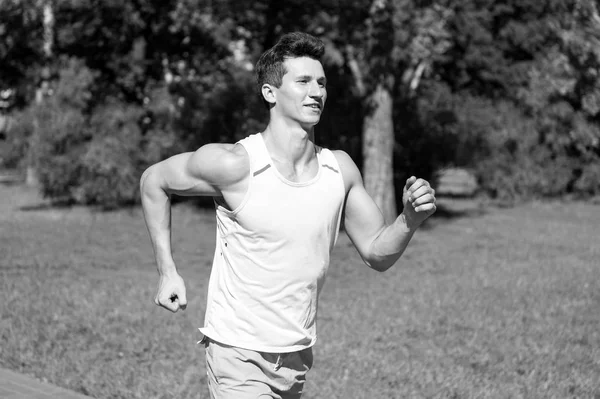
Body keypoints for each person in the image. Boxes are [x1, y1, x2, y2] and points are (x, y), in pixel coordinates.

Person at [140, 32, 436, 399]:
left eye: (322, 83)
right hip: (238, 355)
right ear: (270, 92)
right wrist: (167, 271)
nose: (317, 92)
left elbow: (377, 253)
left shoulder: (339, 170)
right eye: (303, 82)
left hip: (296, 359)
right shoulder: (236, 165)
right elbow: (154, 181)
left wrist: (409, 219)